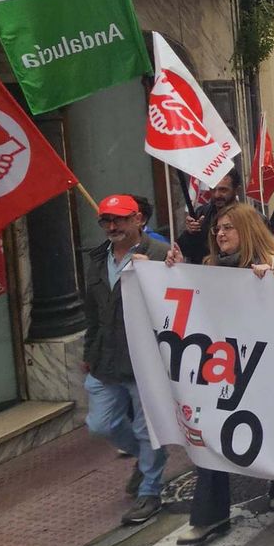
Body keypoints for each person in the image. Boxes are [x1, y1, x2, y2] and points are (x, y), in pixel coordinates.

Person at [165, 203, 274, 544]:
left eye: (228, 228)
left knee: (272, 426)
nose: (220, 234)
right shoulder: (208, 268)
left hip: (264, 368)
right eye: (217, 229)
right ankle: (210, 516)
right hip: (222, 367)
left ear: (247, 231)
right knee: (214, 431)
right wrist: (174, 274)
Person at [82, 193, 171, 526]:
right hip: (105, 357)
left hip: (144, 359)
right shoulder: (95, 259)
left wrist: (163, 273)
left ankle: (150, 489)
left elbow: (179, 304)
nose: (112, 225)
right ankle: (143, 460)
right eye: (106, 220)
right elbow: (92, 311)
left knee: (147, 428)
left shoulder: (160, 254)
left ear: (138, 220)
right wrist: (89, 353)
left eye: (119, 219)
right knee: (100, 424)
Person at [175, 170, 239, 263]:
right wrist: (191, 233)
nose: (217, 195)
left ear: (236, 190)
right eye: (213, 189)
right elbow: (186, 251)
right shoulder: (202, 213)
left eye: (223, 190)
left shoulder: (252, 218)